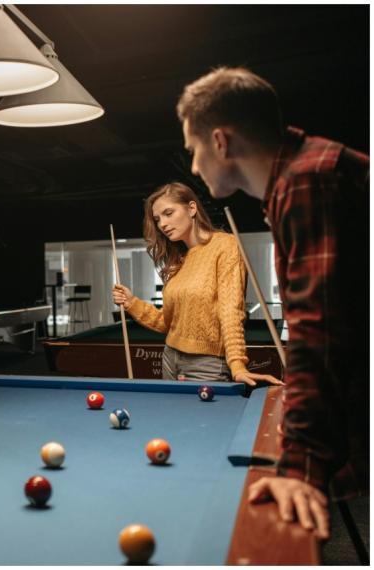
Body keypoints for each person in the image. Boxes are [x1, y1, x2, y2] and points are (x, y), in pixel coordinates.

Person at [177, 66, 369, 540]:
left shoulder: (308, 181)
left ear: (220, 141)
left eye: (193, 150)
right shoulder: (307, 173)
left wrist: (300, 465)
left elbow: (318, 333)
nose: (195, 167)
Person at [111, 182, 283, 386]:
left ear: (192, 208)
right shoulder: (179, 261)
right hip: (170, 358)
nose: (162, 224)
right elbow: (167, 322)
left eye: (169, 213)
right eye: (157, 219)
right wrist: (132, 303)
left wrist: (237, 364)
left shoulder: (225, 246)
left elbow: (231, 312)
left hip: (207, 365)